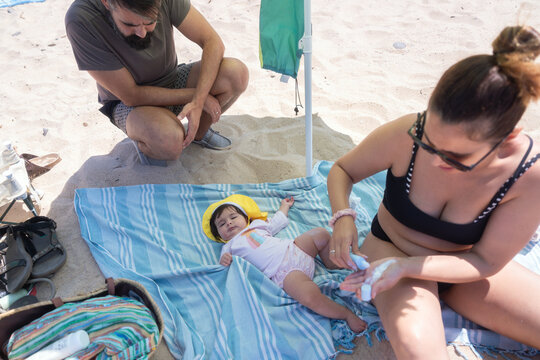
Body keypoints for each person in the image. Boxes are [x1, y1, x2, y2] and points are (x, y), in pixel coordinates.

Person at [327, 25, 540, 358]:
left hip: (464, 267)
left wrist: (412, 268)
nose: (436, 159)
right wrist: (343, 217)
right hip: (391, 251)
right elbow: (343, 170)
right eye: (429, 143)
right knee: (419, 351)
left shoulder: (528, 175)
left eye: (456, 157)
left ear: (508, 139)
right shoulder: (408, 132)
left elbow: (485, 260)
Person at [65, 0, 249, 161]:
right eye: (129, 24)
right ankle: (153, 141)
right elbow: (131, 95)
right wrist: (197, 97)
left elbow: (212, 41)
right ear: (106, 2)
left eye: (149, 22)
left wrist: (199, 99)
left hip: (172, 79)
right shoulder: (81, 18)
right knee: (168, 140)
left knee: (236, 74)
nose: (141, 33)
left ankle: (197, 135)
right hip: (128, 104)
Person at [202, 194, 366, 332]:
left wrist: (284, 206)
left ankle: (332, 263)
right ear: (219, 235)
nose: (229, 223)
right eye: (222, 224)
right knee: (309, 297)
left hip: (295, 248)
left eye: (233, 217)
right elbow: (226, 268)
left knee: (321, 234)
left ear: (246, 218)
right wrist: (225, 261)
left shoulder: (257, 226)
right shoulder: (229, 247)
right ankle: (345, 313)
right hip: (285, 273)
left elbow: (277, 221)